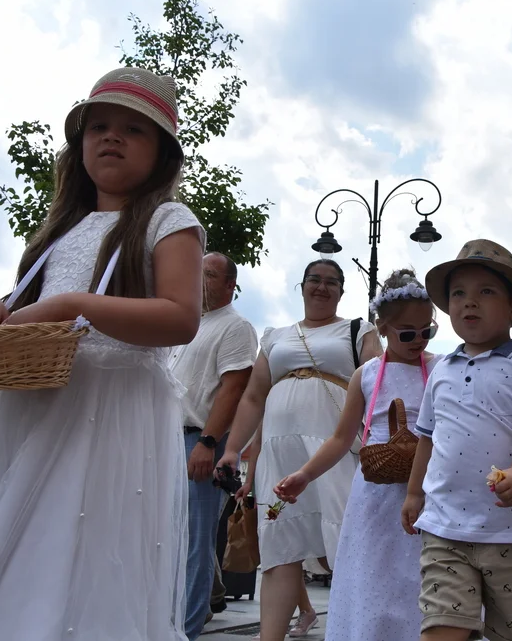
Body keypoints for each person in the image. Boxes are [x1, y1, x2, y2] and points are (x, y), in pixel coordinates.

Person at [0, 67, 205, 639]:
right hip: (41, 400)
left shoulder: (166, 219)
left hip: (111, 408)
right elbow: (23, 305)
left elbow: (181, 317)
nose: (111, 137)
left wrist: (76, 305)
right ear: (78, 144)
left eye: (134, 129)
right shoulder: (58, 230)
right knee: (18, 545)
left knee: (85, 545)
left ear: (163, 153)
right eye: (98, 125)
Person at [400, 239, 512, 641]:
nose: (468, 302)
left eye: (485, 292)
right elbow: (427, 437)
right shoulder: (441, 369)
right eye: (459, 293)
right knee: (442, 626)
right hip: (445, 526)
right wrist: (414, 493)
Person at [217, 259, 382, 641]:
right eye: (314, 280)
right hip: (279, 451)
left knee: (345, 541)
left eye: (331, 282)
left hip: (334, 450)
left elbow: (379, 388)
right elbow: (254, 397)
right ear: (302, 286)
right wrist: (232, 449)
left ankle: (356, 631)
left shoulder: (359, 330)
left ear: (341, 291)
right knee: (279, 545)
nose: (321, 288)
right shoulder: (275, 337)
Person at [274, 269, 441, 641]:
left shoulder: (440, 368)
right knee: (376, 575)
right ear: (381, 328)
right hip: (377, 496)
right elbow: (340, 438)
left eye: (426, 331)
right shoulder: (366, 375)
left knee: (422, 575)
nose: (418, 340)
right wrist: (304, 475)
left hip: (429, 490)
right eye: (407, 333)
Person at [170, 252, 257, 639]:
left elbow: (234, 387)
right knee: (174, 536)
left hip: (200, 438)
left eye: (208, 274)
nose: (198, 280)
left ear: (229, 285)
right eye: (197, 272)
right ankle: (170, 620)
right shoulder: (188, 324)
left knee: (195, 540)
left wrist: (208, 441)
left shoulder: (235, 326)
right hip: (171, 437)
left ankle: (185, 629)